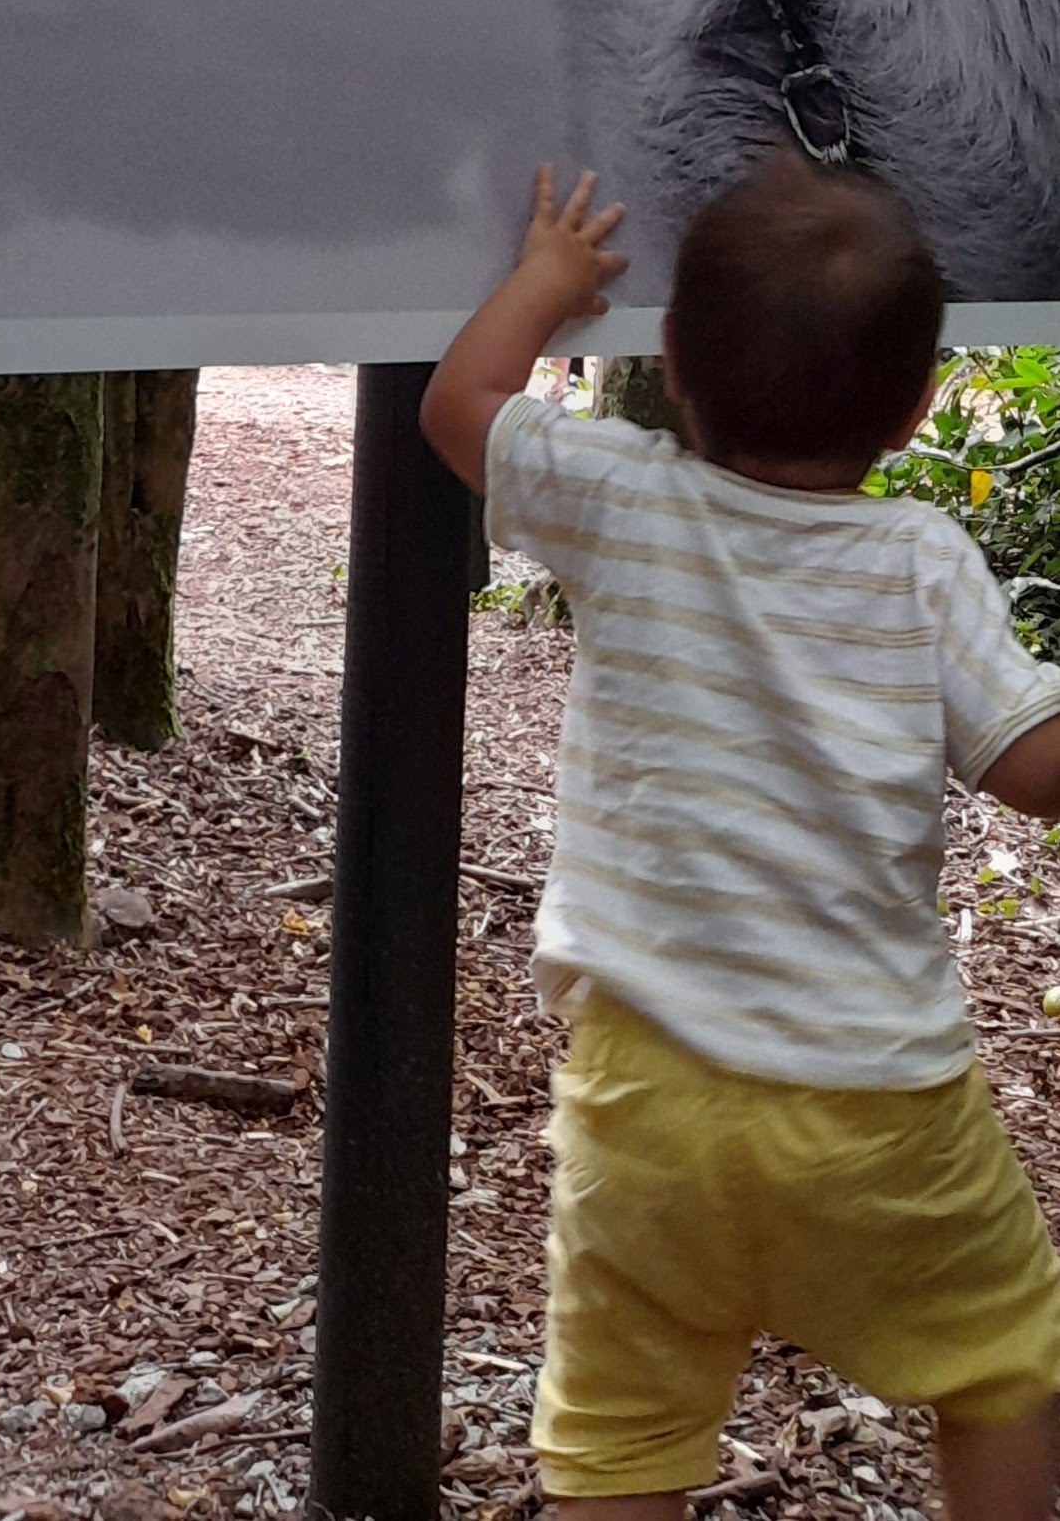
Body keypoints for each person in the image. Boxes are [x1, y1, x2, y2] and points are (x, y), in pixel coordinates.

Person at [420, 148, 1060, 1521]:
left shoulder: (620, 499)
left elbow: (459, 405)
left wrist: (543, 281)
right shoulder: (921, 561)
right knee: (1004, 1360)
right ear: (916, 410)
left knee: (619, 1431)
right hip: (880, 1108)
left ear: (671, 365)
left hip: (648, 1102)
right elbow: (1036, 766)